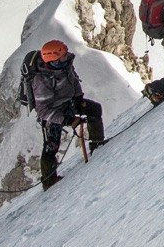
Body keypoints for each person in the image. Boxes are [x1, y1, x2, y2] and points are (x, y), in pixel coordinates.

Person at [18, 38, 105, 188]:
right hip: (54, 113)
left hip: (69, 102)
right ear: (55, 60)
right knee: (51, 147)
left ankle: (97, 145)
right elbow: (43, 111)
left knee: (94, 110)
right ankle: (49, 181)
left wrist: (79, 99)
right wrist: (67, 120)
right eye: (63, 55)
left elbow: (74, 81)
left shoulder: (65, 66)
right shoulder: (41, 80)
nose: (67, 56)